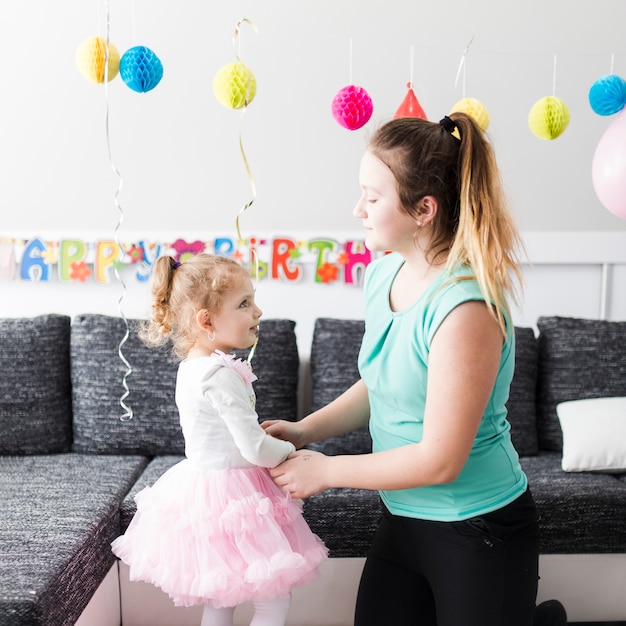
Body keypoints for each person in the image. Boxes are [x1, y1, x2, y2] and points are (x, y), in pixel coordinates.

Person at [265, 113, 554, 626]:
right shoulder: (382, 275)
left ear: (423, 209)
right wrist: (305, 430)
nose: (357, 210)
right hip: (403, 520)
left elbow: (440, 460)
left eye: (372, 197)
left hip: (477, 525)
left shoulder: (465, 308)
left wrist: (327, 471)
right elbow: (384, 384)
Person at [111, 253, 328, 626]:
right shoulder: (219, 373)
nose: (258, 311)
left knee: (220, 597)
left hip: (203, 488)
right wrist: (293, 449)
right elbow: (255, 449)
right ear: (206, 320)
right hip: (237, 494)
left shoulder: (192, 368)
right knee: (273, 600)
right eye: (244, 303)